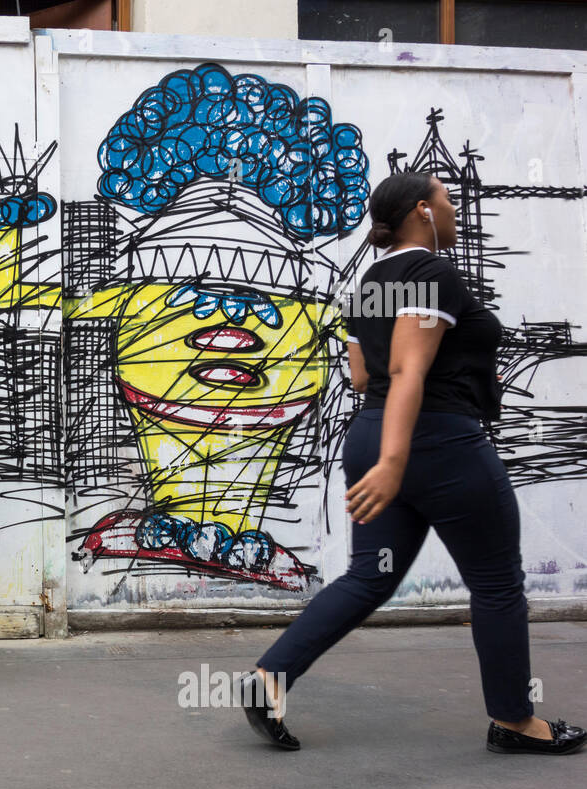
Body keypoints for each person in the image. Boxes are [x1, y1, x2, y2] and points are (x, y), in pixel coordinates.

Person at [240, 171, 585, 755]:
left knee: (368, 576)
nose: (454, 209)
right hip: (438, 445)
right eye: (448, 200)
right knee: (498, 584)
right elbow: (406, 369)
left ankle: (269, 678)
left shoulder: (368, 283)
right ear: (423, 211)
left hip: (371, 434)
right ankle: (514, 721)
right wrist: (401, 459)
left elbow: (361, 374)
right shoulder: (433, 273)